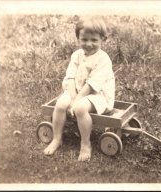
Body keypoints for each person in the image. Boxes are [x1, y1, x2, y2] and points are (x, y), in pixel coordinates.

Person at [44, 17, 115, 161]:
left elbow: (92, 85)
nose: (89, 44)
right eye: (84, 39)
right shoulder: (76, 55)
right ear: (78, 38)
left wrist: (76, 101)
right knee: (60, 104)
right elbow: (70, 77)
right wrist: (71, 96)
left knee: (80, 108)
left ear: (103, 39)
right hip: (77, 90)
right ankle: (57, 138)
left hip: (97, 95)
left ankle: (85, 143)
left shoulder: (103, 59)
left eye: (94, 40)